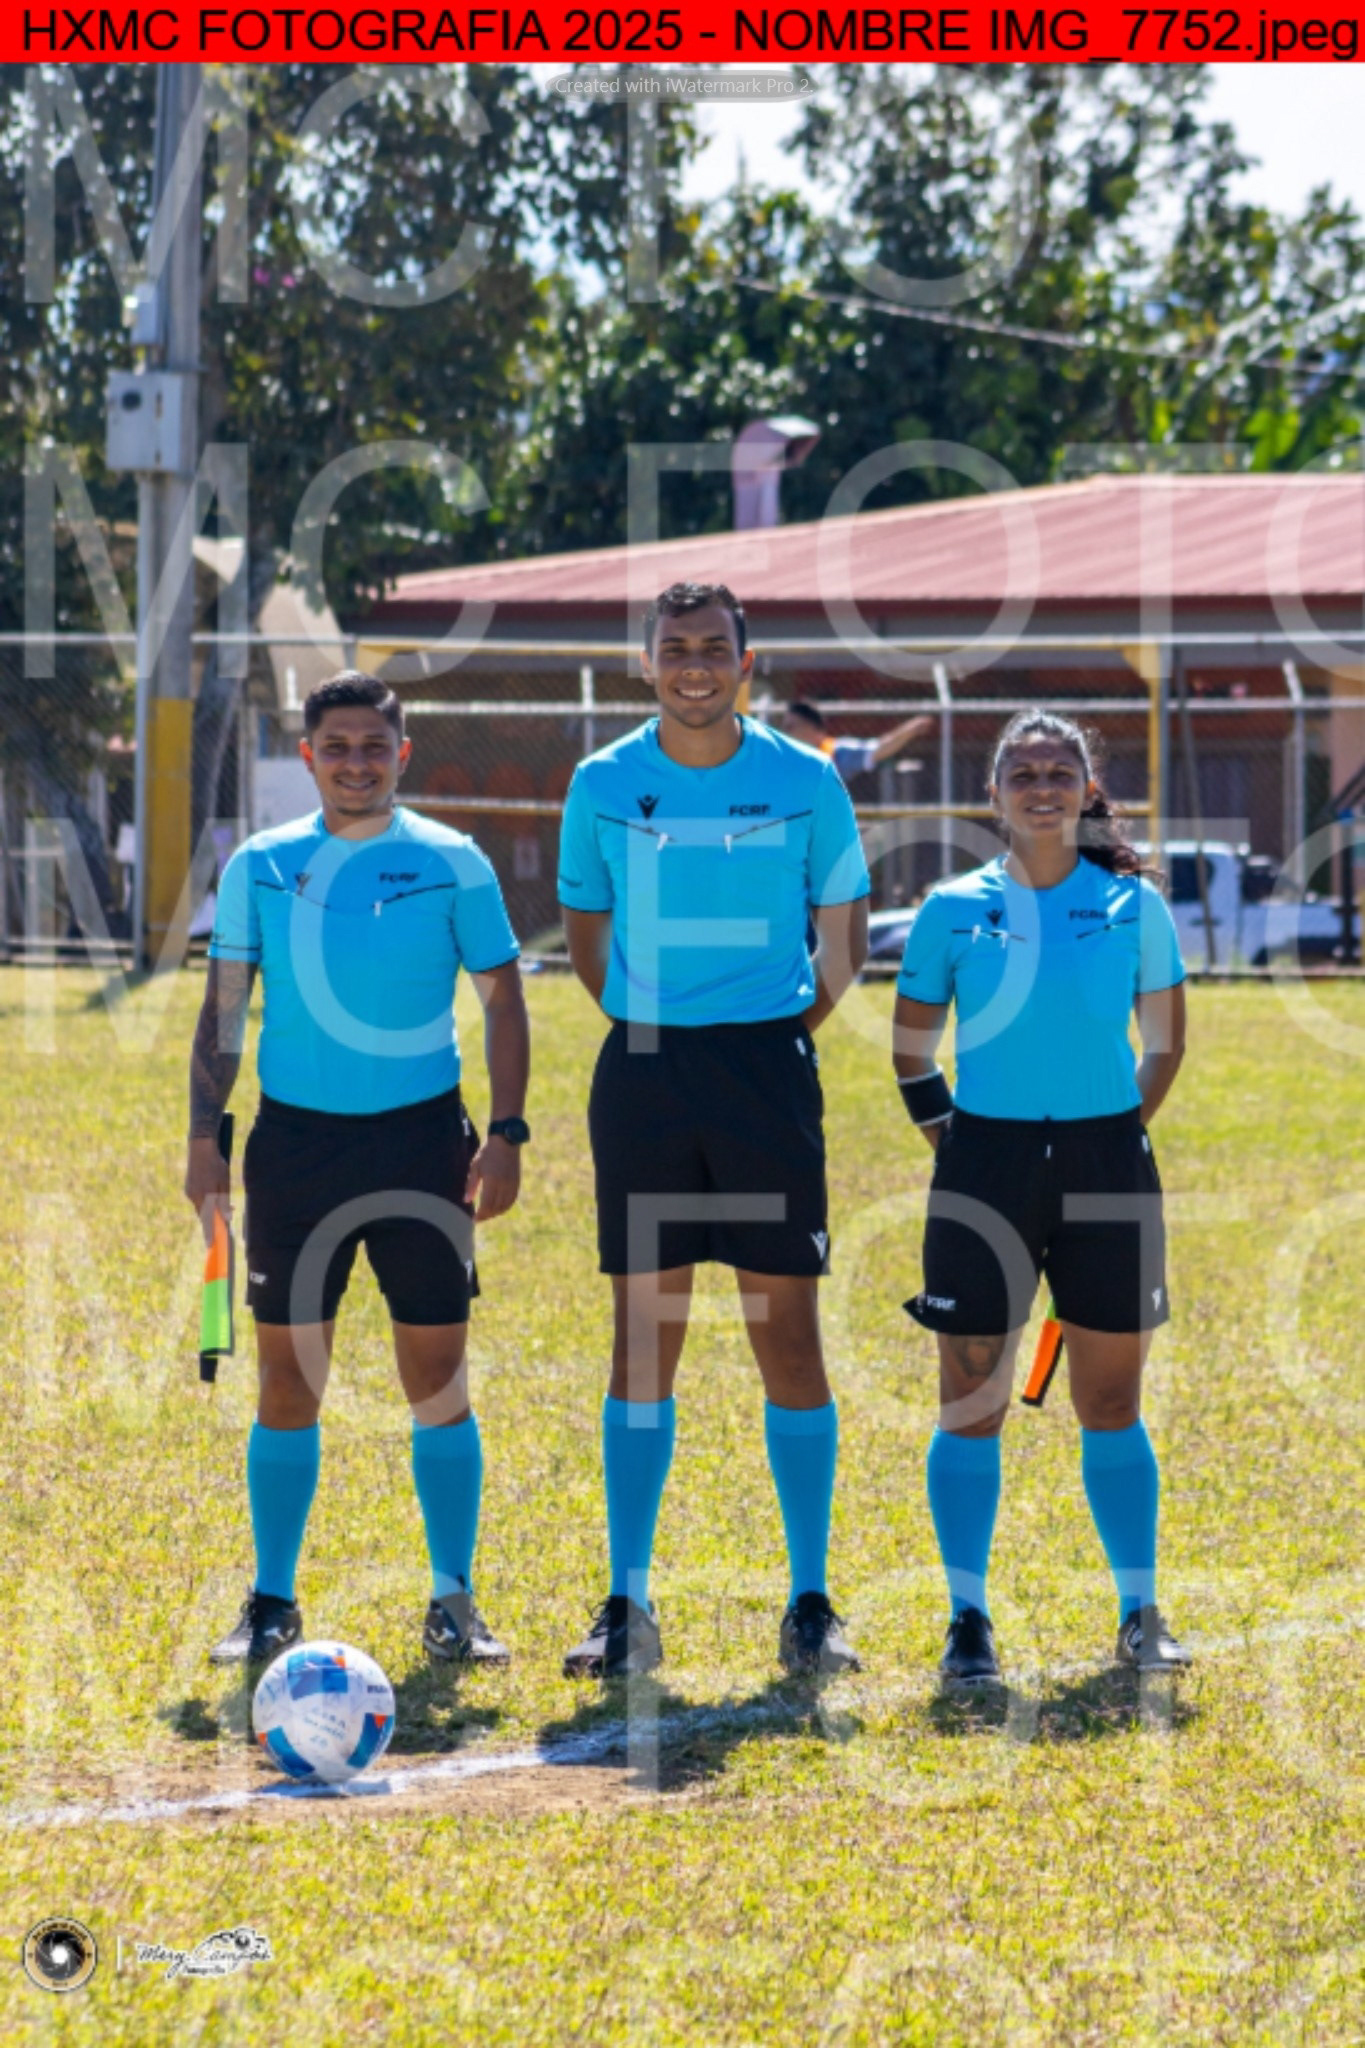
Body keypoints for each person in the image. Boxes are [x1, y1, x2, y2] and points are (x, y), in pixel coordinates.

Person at [186, 672, 530, 1673]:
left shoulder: (454, 860)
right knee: (288, 1380)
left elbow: (505, 1001)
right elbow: (223, 1011)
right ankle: (271, 1599)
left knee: (436, 1375)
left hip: (423, 1146)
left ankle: (453, 1601)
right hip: (296, 1148)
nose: (355, 763)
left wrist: (506, 1132)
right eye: (335, 747)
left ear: (402, 753)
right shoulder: (262, 863)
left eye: (374, 746)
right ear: (308, 756)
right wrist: (203, 1139)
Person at [557, 582, 871, 1679]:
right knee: (645, 1335)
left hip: (765, 1073)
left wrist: (774, 1034)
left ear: (747, 660)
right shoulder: (602, 781)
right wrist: (655, 1022)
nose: (693, 663)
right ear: (646, 661)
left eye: (712, 647)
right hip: (644, 1072)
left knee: (788, 1335)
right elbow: (585, 932)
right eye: (674, 646)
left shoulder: (805, 779)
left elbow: (844, 931)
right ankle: (626, 1600)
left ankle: (811, 1600)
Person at [892, 709, 1189, 1682]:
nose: (1042, 787)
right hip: (985, 1169)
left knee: (1109, 1399)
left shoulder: (1133, 905)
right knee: (972, 1399)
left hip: (1108, 1166)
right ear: (994, 794)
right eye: (1022, 773)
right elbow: (911, 1051)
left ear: (1087, 790)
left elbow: (1165, 1044)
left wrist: (1112, 1133)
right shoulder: (950, 908)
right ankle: (967, 1621)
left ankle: (1139, 1612)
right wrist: (964, 1147)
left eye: (1060, 771)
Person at [784, 699, 933, 782]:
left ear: (810, 727)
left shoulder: (836, 752)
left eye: (790, 726)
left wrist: (909, 730)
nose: (785, 732)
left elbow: (878, 749)